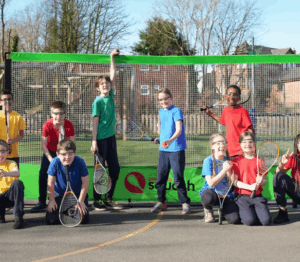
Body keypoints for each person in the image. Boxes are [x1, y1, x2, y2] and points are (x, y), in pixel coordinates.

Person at [90, 49, 122, 211]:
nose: (106, 85)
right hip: (100, 139)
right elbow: (95, 122)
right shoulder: (98, 102)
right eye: (102, 84)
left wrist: (111, 57)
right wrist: (94, 141)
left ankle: (108, 198)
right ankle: (97, 200)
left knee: (115, 169)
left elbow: (113, 74)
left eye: (107, 83)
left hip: (110, 138)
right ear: (98, 88)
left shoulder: (110, 96)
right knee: (100, 170)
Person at [151, 88, 191, 215]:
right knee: (160, 177)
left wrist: (170, 141)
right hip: (163, 150)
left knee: (178, 177)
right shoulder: (161, 112)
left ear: (171, 98)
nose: (164, 101)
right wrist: (160, 139)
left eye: (166, 98)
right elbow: (164, 130)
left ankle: (185, 203)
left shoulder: (176, 111)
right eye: (161, 99)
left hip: (176, 150)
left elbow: (178, 130)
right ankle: (161, 202)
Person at [30, 101, 75, 213]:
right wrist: (51, 159)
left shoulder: (68, 125)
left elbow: (72, 145)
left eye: (60, 113)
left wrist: (65, 156)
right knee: (43, 173)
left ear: (64, 114)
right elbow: (43, 145)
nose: (58, 116)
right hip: (50, 152)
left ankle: (71, 199)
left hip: (64, 151)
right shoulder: (47, 125)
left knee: (69, 173)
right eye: (55, 113)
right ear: (51, 113)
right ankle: (41, 201)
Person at [232, 131, 272, 226]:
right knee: (249, 221)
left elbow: (265, 180)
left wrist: (261, 181)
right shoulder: (236, 160)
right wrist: (250, 187)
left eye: (250, 141)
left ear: (254, 143)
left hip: (257, 196)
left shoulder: (260, 160)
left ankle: (257, 210)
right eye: (244, 142)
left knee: (266, 222)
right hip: (242, 197)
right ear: (240, 144)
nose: (247, 144)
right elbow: (234, 182)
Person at [46, 139, 89, 225]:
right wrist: (51, 200)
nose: (67, 157)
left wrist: (81, 201)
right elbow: (50, 184)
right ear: (57, 154)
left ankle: (72, 210)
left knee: (83, 220)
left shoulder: (80, 162)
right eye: (63, 154)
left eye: (70, 153)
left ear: (74, 153)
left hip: (76, 194)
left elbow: (85, 182)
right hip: (59, 195)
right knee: (51, 220)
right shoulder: (54, 162)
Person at [203, 85, 253, 157]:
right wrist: (210, 113)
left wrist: (252, 148)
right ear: (225, 96)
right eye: (229, 94)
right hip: (230, 151)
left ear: (239, 98)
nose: (232, 97)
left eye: (235, 95)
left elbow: (250, 129)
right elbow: (222, 121)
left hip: (241, 151)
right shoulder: (225, 110)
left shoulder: (243, 111)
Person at [199, 133, 240, 224]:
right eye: (218, 143)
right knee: (207, 197)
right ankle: (208, 210)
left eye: (223, 143)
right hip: (212, 193)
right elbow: (211, 183)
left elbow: (231, 183)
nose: (221, 145)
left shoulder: (229, 161)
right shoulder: (208, 160)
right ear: (212, 146)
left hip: (226, 195)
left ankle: (223, 211)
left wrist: (230, 174)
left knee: (234, 219)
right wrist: (224, 170)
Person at [272, 134, 300, 224]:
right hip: (297, 190)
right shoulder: (294, 157)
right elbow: (277, 174)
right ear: (296, 145)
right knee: (278, 176)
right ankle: (283, 212)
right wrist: (282, 164)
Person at [0, 139, 25, 229]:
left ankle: (18, 217)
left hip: (9, 197)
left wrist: (6, 173)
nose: (0, 154)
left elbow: (17, 173)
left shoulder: (11, 163)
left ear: (7, 152)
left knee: (17, 183)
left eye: (3, 151)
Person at [0, 90, 26, 168]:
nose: (7, 101)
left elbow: (21, 135)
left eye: (9, 99)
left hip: (13, 155)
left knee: (14, 178)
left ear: (13, 102)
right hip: (0, 155)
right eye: (4, 100)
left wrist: (13, 140)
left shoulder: (18, 117)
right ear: (0, 102)